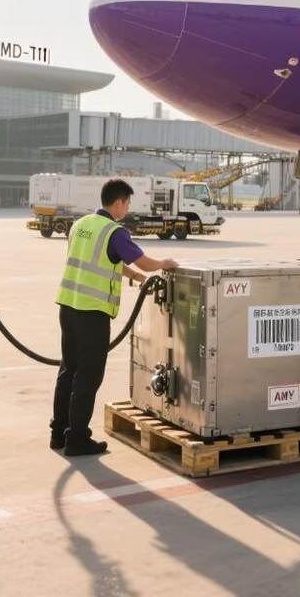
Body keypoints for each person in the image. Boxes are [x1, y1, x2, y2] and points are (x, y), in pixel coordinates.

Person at [51, 178, 177, 456]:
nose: (128, 208)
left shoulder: (80, 225)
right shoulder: (115, 232)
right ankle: (77, 438)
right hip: (92, 312)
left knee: (68, 370)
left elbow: (101, 261)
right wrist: (164, 264)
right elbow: (143, 261)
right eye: (127, 203)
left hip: (68, 307)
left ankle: (59, 432)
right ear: (119, 202)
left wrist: (133, 276)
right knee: (88, 375)